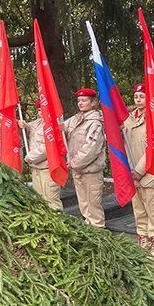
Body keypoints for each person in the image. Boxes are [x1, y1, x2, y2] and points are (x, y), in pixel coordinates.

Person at [123, 83, 154, 260]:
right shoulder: (128, 119)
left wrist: (139, 170)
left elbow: (152, 148)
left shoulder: (153, 119)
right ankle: (143, 239)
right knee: (138, 209)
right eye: (136, 97)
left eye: (142, 96)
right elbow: (123, 144)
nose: (138, 100)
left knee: (153, 209)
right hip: (131, 172)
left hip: (149, 172)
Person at [64, 88, 106, 228]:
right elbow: (61, 128)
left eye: (84, 100)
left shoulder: (95, 122)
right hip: (78, 171)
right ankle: (89, 232)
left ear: (92, 103)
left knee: (93, 207)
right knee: (84, 206)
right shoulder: (76, 119)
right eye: (78, 101)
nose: (80, 103)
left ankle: (98, 234)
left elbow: (91, 149)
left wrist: (74, 163)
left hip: (90, 172)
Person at [19, 105, 63, 211]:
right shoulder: (38, 123)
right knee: (40, 199)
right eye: (39, 110)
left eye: (43, 109)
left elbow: (48, 147)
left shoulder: (54, 124)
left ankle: (58, 224)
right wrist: (24, 125)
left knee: (51, 199)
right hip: (36, 167)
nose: (40, 112)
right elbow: (28, 128)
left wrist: (31, 157)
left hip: (48, 168)